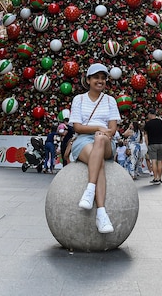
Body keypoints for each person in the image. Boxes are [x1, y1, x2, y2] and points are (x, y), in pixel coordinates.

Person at [70, 63, 120, 234]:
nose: (100, 81)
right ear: (88, 80)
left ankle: (90, 190)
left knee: (100, 140)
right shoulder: (79, 99)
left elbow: (112, 130)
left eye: (103, 78)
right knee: (98, 163)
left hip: (105, 142)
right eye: (96, 78)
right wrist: (98, 128)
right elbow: (77, 127)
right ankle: (101, 213)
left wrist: (101, 132)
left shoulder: (110, 100)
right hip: (83, 141)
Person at [144, 109, 162, 185]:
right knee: (160, 161)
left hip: (152, 144)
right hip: (160, 143)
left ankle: (155, 177)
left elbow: (146, 135)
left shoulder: (148, 123)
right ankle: (160, 178)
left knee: (153, 161)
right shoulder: (160, 122)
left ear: (150, 114)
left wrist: (147, 144)